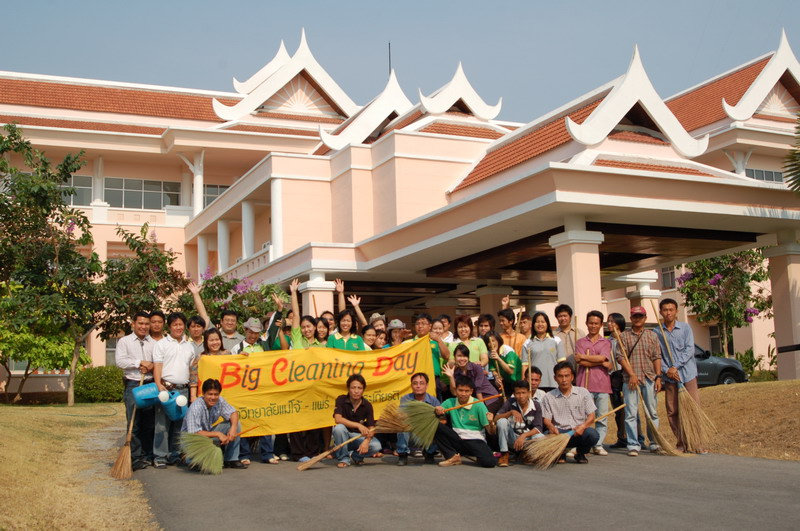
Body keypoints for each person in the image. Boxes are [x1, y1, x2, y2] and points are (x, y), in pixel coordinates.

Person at [656, 298, 703, 454]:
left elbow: (689, 350)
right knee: (672, 411)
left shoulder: (685, 328)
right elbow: (657, 355)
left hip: (687, 374)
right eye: (665, 310)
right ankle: (681, 442)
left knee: (693, 409)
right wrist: (667, 370)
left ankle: (696, 442)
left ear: (676, 311)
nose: (668, 313)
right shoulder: (657, 332)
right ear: (661, 312)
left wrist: (675, 366)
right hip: (670, 378)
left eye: (671, 310)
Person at [152, 311, 197, 468]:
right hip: (166, 388)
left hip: (183, 389)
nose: (178, 327)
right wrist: (159, 385)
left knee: (180, 424)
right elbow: (157, 366)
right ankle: (160, 456)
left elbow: (192, 369)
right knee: (162, 424)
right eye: (175, 325)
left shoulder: (189, 346)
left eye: (181, 324)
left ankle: (175, 454)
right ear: (169, 327)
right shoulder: (161, 344)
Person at [616, 306, 662, 456]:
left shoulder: (652, 335)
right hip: (630, 380)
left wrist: (658, 376)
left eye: (640, 316)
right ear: (631, 318)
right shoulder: (624, 336)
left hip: (649, 377)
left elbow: (656, 356)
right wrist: (631, 374)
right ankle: (633, 444)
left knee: (652, 412)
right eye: (635, 316)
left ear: (645, 318)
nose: (637, 319)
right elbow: (620, 357)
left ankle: (654, 442)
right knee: (631, 413)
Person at [115, 310, 156, 471]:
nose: (143, 327)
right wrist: (140, 362)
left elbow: (158, 361)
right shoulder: (124, 341)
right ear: (133, 324)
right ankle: (136, 457)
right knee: (134, 422)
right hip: (133, 384)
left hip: (149, 384)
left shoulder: (153, 342)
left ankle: (147, 455)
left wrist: (151, 366)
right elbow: (120, 361)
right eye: (140, 323)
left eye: (146, 324)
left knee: (149, 423)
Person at [541, 361, 600, 464]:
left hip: (579, 432)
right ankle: (560, 452)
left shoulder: (583, 392)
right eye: (560, 376)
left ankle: (580, 453)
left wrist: (583, 426)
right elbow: (546, 420)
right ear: (555, 378)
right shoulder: (548, 396)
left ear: (572, 377)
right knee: (546, 435)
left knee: (592, 435)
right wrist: (552, 428)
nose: (564, 380)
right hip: (560, 432)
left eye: (567, 376)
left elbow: (591, 416)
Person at [181, 378, 245, 469]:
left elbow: (233, 413)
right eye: (210, 394)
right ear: (203, 394)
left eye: (216, 394)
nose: (213, 397)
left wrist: (233, 429)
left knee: (235, 423)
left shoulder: (220, 401)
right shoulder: (196, 407)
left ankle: (231, 459)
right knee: (198, 466)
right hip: (192, 441)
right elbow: (194, 433)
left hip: (207, 434)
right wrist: (218, 434)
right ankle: (188, 458)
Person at [433, 376, 497, 468]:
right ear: (456, 390)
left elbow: (491, 432)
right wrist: (438, 409)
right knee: (436, 425)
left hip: (475, 440)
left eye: (467, 391)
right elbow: (440, 409)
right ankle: (452, 456)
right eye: (460, 390)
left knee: (489, 462)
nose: (463, 394)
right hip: (457, 439)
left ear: (471, 391)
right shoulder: (450, 402)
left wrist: (491, 423)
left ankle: (479, 455)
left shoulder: (478, 404)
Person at [575, 310, 613, 456]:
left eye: (596, 323)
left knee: (602, 416)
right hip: (584, 385)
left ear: (601, 325)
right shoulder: (580, 342)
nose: (593, 326)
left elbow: (603, 358)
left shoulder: (606, 342)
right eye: (591, 323)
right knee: (584, 417)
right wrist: (600, 361)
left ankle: (598, 444)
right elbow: (581, 362)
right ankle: (583, 443)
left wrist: (586, 358)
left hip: (602, 384)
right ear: (586, 323)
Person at [332, 374, 382, 467]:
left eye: (359, 388)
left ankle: (356, 456)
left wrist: (367, 441)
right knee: (339, 428)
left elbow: (371, 428)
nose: (356, 391)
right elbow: (338, 419)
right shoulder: (341, 399)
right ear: (348, 388)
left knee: (376, 446)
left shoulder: (367, 405)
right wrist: (358, 425)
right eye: (353, 388)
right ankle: (344, 459)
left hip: (359, 437)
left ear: (363, 390)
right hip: (344, 436)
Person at [494, 380, 545, 466]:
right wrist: (510, 412)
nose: (521, 396)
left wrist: (524, 435)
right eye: (518, 393)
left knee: (540, 437)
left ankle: (527, 453)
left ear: (529, 393)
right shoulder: (510, 402)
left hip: (526, 439)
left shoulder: (536, 405)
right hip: (513, 438)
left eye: (523, 393)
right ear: (514, 394)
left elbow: (538, 428)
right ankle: (504, 453)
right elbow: (496, 419)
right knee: (502, 421)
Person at [396, 372, 440, 466]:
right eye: (415, 383)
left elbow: (443, 420)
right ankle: (403, 454)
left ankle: (429, 453)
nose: (418, 386)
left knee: (438, 427)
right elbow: (402, 416)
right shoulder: (406, 399)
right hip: (411, 433)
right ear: (411, 386)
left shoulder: (433, 401)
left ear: (427, 386)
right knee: (402, 425)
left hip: (426, 433)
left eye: (421, 383)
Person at [442, 344, 500, 413]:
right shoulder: (456, 372)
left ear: (468, 357)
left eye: (465, 356)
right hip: (475, 401)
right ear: (454, 357)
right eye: (459, 356)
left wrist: (482, 410)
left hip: (490, 398)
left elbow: (478, 390)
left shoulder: (476, 367)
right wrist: (451, 377)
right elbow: (455, 393)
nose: (462, 359)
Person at [405, 313, 450, 393]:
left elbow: (446, 356)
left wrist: (439, 340)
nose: (420, 326)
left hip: (434, 379)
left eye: (423, 323)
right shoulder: (409, 343)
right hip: (416, 379)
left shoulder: (436, 341)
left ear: (430, 326)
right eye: (417, 324)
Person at [521, 312, 565, 392]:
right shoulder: (527, 343)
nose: (540, 324)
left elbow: (561, 364)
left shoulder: (556, 340)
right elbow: (525, 366)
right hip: (534, 384)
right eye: (537, 322)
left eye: (543, 322)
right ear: (533, 324)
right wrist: (524, 384)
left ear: (547, 324)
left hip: (554, 383)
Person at [189, 328, 230, 402]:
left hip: (226, 395)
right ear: (206, 342)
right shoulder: (201, 358)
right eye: (211, 340)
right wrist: (193, 396)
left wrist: (242, 356)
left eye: (217, 339)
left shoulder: (228, 354)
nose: (215, 342)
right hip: (206, 396)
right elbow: (193, 379)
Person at [606, 312, 628, 449]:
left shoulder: (625, 338)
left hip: (625, 376)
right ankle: (621, 437)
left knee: (628, 410)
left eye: (612, 321)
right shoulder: (607, 341)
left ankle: (635, 437)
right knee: (617, 409)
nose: (610, 324)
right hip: (612, 377)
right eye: (608, 321)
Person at [484, 330, 521, 396]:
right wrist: (496, 377)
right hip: (505, 381)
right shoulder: (490, 353)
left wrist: (498, 358)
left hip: (516, 380)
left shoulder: (507, 351)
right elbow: (493, 370)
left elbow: (510, 371)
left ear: (498, 340)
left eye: (493, 341)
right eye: (488, 342)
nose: (491, 344)